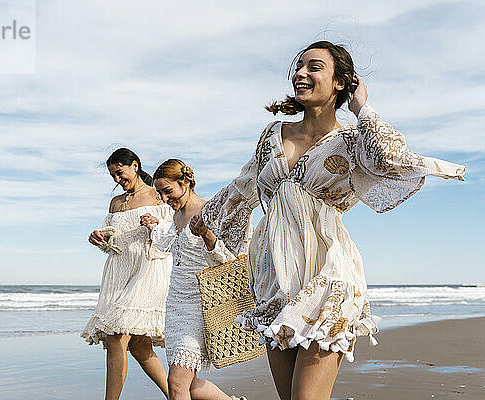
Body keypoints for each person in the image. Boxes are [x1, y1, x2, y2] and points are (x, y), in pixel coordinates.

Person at [191, 41, 466, 400]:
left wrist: (362, 107)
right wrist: (208, 217)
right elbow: (244, 185)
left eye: (314, 67)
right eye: (299, 66)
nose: (301, 74)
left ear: (341, 82)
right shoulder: (273, 133)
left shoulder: (352, 142)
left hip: (328, 275)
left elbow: (390, 157)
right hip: (274, 279)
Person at [140, 159, 246, 400]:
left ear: (185, 182)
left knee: (176, 384)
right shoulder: (175, 217)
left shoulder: (212, 211)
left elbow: (232, 262)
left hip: (201, 305)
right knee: (188, 384)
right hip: (175, 304)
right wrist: (153, 226)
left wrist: (208, 235)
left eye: (168, 191)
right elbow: (171, 243)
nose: (165, 199)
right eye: (160, 194)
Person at [82, 148, 173, 400]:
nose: (117, 179)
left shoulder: (159, 195)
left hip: (149, 269)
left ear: (134, 166)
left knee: (115, 336)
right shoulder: (115, 203)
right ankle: (176, 396)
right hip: (119, 272)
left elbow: (175, 231)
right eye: (112, 175)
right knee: (139, 346)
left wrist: (157, 224)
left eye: (119, 172)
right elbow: (113, 242)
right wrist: (99, 239)